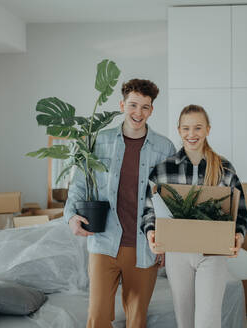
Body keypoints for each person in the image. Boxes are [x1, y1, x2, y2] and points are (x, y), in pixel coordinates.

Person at [64, 79, 176, 328]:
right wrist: (71, 215)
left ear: (152, 110)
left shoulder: (165, 148)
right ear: (122, 104)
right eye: (133, 105)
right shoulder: (98, 141)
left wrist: (167, 242)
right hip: (104, 242)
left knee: (136, 320)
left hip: (144, 246)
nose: (138, 113)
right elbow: (79, 185)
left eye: (145, 107)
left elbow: (170, 200)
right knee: (97, 318)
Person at [141, 104, 247, 328]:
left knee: (207, 322)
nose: (192, 134)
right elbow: (150, 208)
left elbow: (240, 211)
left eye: (198, 128)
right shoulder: (163, 169)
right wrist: (151, 232)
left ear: (208, 130)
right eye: (186, 129)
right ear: (179, 130)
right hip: (177, 254)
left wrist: (239, 235)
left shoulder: (224, 169)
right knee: (185, 321)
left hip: (212, 253)